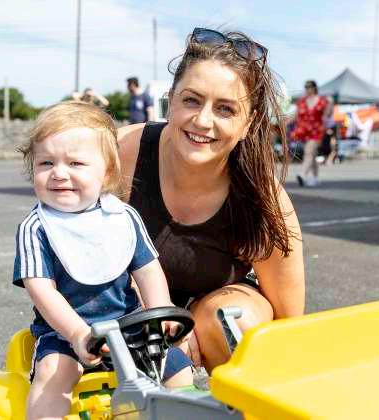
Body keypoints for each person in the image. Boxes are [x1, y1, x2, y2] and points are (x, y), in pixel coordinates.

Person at [117, 28, 305, 373]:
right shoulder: (118, 154)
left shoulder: (264, 198)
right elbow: (69, 249)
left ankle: (231, 395)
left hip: (214, 305)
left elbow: (289, 321)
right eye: (191, 100)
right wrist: (161, 320)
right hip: (126, 303)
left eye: (225, 109)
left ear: (249, 124)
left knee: (234, 321)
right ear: (171, 100)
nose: (203, 121)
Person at [13, 101, 192, 419]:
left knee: (176, 365)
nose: (59, 173)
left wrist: (161, 310)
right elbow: (42, 290)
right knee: (54, 373)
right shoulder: (37, 227)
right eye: (45, 163)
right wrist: (77, 334)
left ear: (107, 171)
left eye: (75, 163)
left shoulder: (122, 217)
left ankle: (180, 412)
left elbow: (148, 270)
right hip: (64, 334)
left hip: (129, 325)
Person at [293, 80, 332, 187]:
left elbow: (327, 115)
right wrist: (284, 122)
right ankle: (315, 177)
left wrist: (330, 104)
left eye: (309, 87)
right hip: (304, 132)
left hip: (317, 131)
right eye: (306, 87)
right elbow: (296, 116)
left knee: (308, 152)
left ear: (314, 88)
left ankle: (303, 174)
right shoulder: (301, 101)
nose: (307, 89)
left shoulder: (322, 100)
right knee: (312, 155)